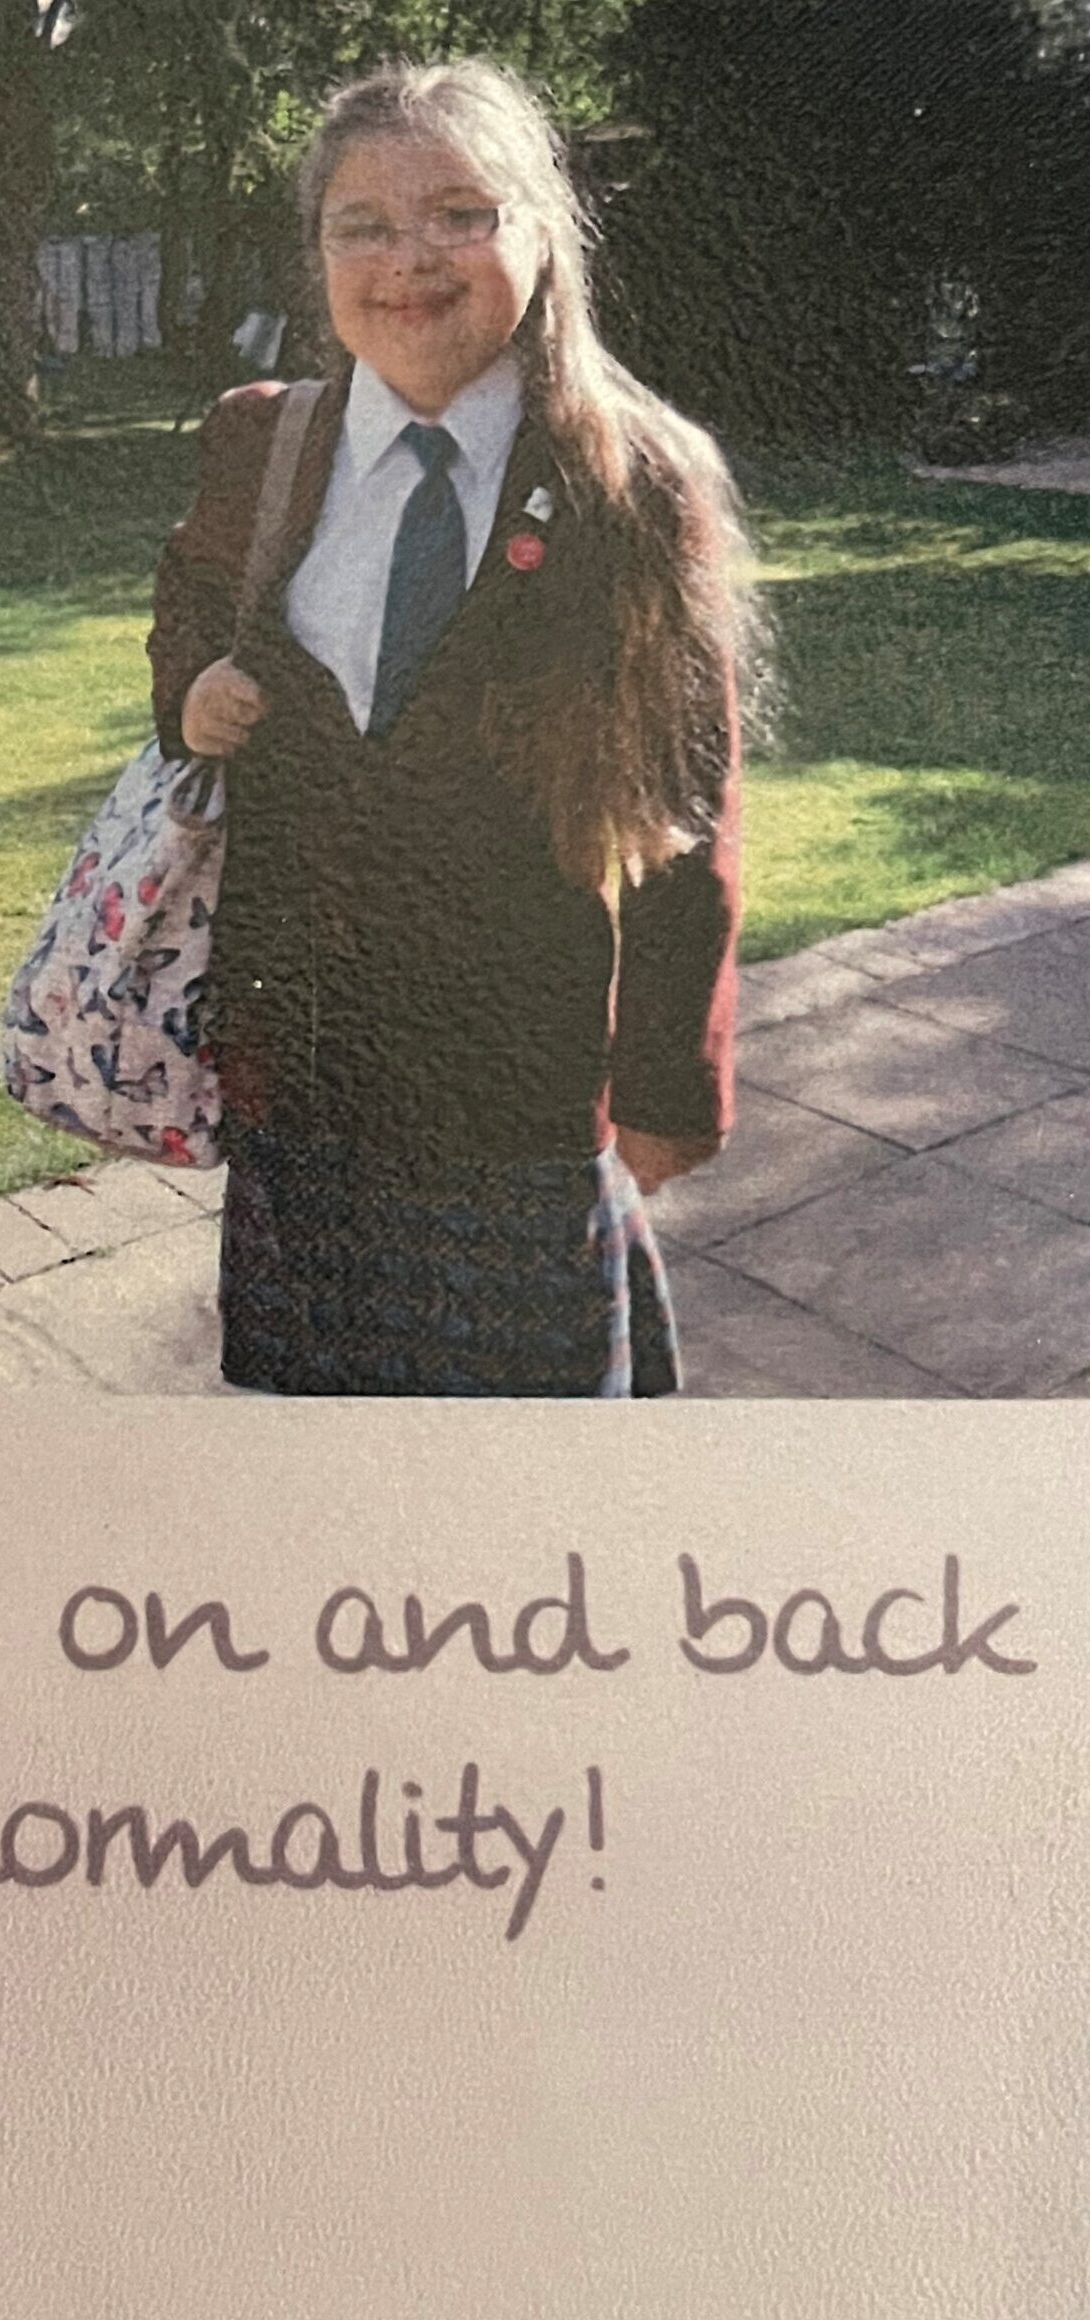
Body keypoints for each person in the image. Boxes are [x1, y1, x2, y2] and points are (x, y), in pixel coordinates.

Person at [147, 58, 766, 1399]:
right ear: (317, 253)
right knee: (319, 1488)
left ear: (542, 232)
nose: (407, 259)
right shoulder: (260, 442)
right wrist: (191, 692)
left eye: (459, 213)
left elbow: (689, 814)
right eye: (360, 223)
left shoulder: (631, 488)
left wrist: (663, 1102)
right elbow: (187, 609)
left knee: (520, 1531)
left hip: (521, 1117)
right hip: (298, 1093)